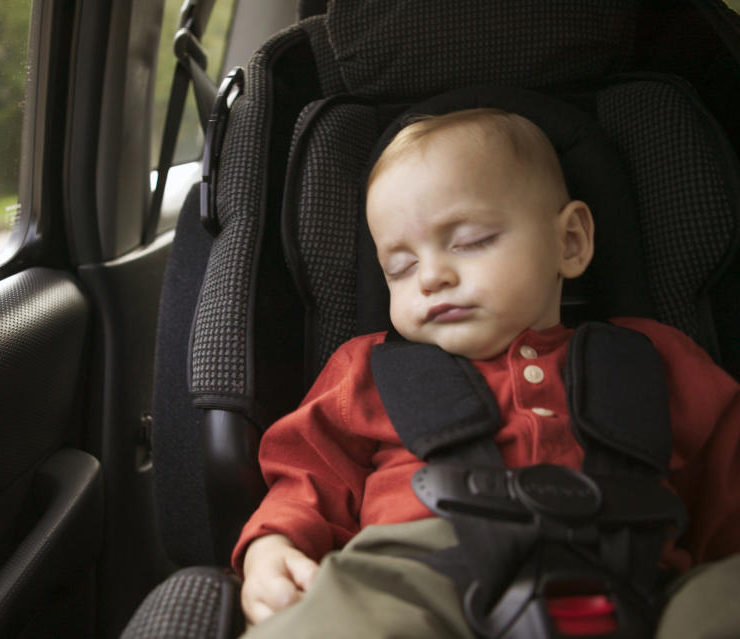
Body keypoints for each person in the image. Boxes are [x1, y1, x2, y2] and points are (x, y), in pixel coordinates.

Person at [232, 108, 740, 638]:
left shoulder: (655, 358)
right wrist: (274, 545)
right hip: (417, 576)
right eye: (400, 268)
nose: (430, 276)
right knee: (336, 614)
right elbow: (307, 476)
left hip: (642, 583)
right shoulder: (367, 372)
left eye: (470, 240)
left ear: (570, 242)